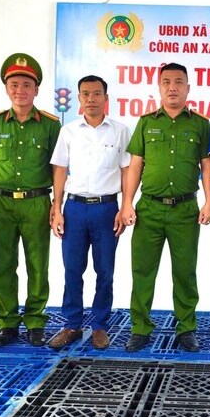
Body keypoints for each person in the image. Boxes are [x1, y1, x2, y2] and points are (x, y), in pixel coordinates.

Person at [120, 62, 210, 352]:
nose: (172, 87)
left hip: (185, 209)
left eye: (178, 82)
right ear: (159, 87)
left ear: (188, 87)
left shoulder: (200, 124)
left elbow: (207, 166)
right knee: (142, 271)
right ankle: (140, 328)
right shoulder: (146, 122)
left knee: (185, 272)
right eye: (166, 82)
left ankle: (186, 328)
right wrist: (127, 203)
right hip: (148, 209)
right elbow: (135, 165)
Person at [0, 53, 61, 347]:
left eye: (26, 85)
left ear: (36, 90)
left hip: (37, 203)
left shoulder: (50, 125)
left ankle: (35, 322)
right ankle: (7, 323)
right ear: (6, 89)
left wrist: (56, 205)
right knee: (3, 264)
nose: (20, 90)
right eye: (14, 85)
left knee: (38, 265)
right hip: (2, 203)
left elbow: (57, 168)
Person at [47, 75, 131, 350]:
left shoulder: (120, 131)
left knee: (105, 271)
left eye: (96, 94)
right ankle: (72, 324)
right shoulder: (69, 131)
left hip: (107, 209)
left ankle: (100, 326)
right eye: (85, 94)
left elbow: (127, 170)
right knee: (72, 269)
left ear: (106, 98)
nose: (91, 99)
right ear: (79, 98)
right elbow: (60, 170)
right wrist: (57, 208)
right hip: (74, 209)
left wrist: (126, 206)